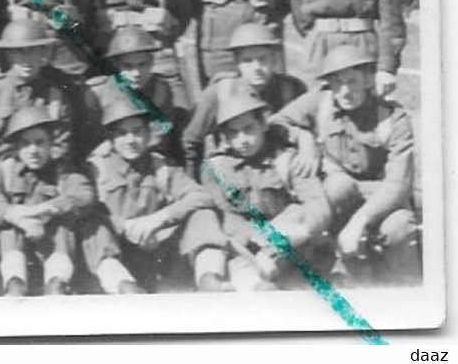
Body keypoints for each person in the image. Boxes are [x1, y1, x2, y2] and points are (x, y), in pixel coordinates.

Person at [270, 45, 420, 283]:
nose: (345, 91)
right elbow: (275, 123)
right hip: (340, 197)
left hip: (383, 201)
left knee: (400, 228)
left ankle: (407, 295)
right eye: (337, 83)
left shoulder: (393, 117)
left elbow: (398, 184)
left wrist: (360, 221)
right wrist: (304, 138)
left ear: (368, 79)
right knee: (337, 186)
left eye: (352, 81)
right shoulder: (321, 102)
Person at [87, 98, 228, 293]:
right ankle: (125, 288)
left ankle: (209, 279)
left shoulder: (160, 166)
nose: (131, 140)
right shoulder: (97, 168)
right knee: (92, 228)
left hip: (157, 254)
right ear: (111, 138)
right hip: (118, 253)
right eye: (122, 133)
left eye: (137, 131)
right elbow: (85, 209)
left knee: (203, 214)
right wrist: (125, 227)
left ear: (147, 134)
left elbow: (200, 196)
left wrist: (159, 220)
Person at [199, 92, 333, 291]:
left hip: (289, 242)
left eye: (248, 129)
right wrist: (256, 237)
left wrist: (299, 232)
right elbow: (224, 215)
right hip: (244, 244)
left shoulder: (286, 160)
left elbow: (317, 205)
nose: (242, 139)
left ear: (263, 125)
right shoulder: (217, 169)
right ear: (224, 138)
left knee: (297, 213)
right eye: (233, 133)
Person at [0, 107, 105, 296]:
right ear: (16, 148)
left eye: (40, 142)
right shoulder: (4, 169)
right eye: (26, 144)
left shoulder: (63, 169)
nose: (33, 150)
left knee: (63, 226)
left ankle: (56, 284)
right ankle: (14, 285)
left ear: (51, 144)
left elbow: (84, 194)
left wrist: (46, 209)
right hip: (11, 254)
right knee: (9, 227)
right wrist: (18, 217)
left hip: (53, 250)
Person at [0, 17, 78, 186]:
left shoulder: (55, 98)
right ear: (8, 54)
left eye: (33, 50)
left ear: (43, 52)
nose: (26, 59)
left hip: (41, 183)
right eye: (18, 51)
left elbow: (60, 151)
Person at [181, 23, 308, 174]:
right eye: (247, 61)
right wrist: (195, 180)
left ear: (274, 58)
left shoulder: (291, 88)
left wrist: (308, 144)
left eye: (263, 59)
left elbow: (310, 128)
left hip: (282, 167)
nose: (257, 68)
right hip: (235, 170)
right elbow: (191, 141)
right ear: (236, 63)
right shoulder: (220, 92)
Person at [81, 28, 184, 162]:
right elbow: (90, 139)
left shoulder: (160, 91)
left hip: (147, 157)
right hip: (107, 159)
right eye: (128, 66)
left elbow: (160, 136)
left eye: (142, 64)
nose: (136, 73)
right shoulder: (98, 94)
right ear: (116, 66)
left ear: (152, 63)